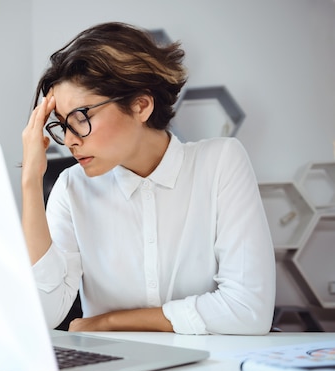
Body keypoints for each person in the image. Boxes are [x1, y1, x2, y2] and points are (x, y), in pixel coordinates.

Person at [21, 22, 275, 335]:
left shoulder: (221, 161)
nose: (71, 140)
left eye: (81, 118)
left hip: (212, 370)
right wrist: (31, 182)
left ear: (141, 105)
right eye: (61, 125)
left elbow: (248, 310)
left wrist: (109, 321)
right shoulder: (71, 188)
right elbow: (44, 314)